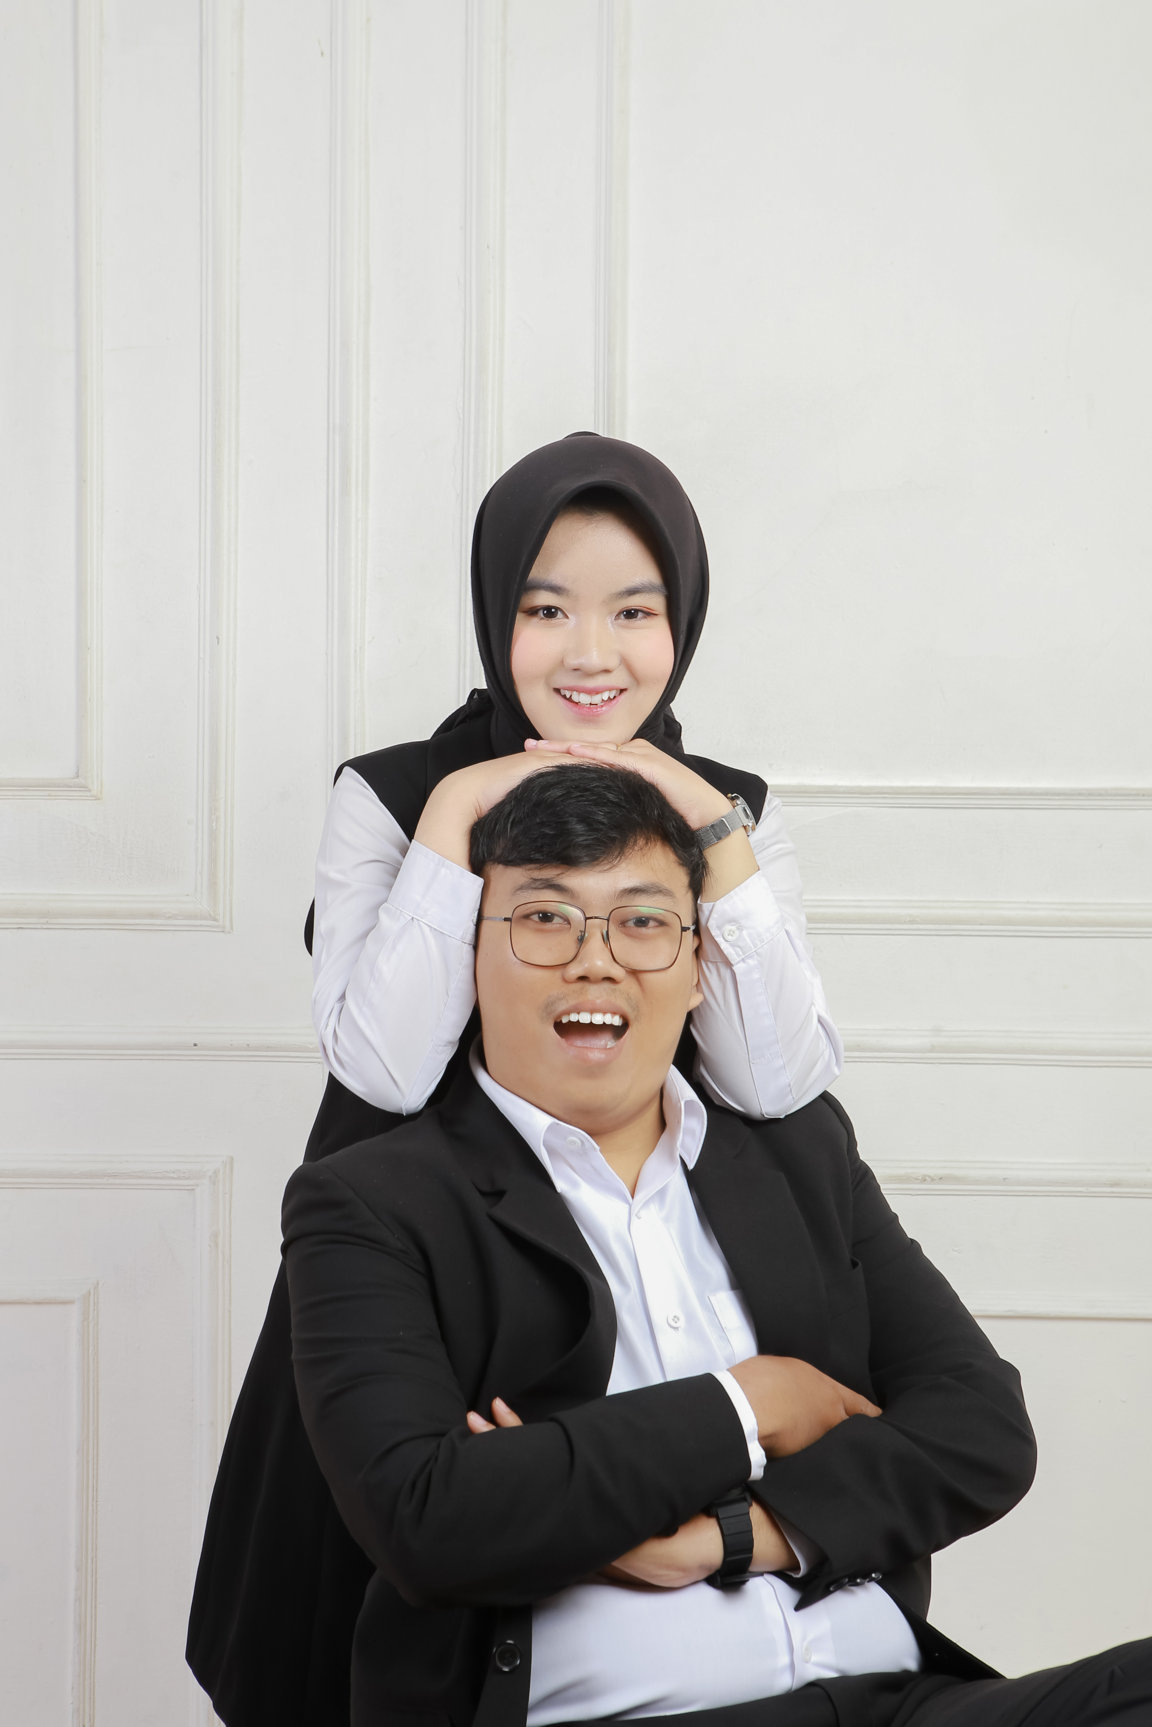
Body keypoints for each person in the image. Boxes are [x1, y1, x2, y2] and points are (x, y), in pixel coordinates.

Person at [188, 432, 841, 1726]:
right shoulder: (394, 792)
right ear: (497, 618)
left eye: (633, 611)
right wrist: (460, 814)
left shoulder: (724, 807)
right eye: (546, 610)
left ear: (681, 625)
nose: (591, 653)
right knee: (380, 1609)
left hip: (635, 1249)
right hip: (420, 1259)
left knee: (637, 1584)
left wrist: (704, 821)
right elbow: (384, 1066)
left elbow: (774, 1079)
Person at [281, 763, 1151, 1727]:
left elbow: (980, 1429)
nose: (596, 960)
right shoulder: (371, 1201)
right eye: (545, 918)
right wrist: (752, 1401)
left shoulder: (799, 1156)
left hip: (897, 1702)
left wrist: (731, 1537)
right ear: (472, 957)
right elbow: (429, 1516)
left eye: (643, 920)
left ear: (699, 964)